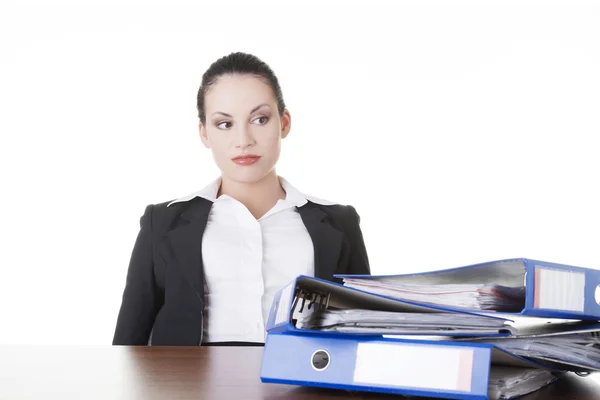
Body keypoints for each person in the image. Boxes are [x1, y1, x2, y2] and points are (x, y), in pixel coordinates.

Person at [112, 52, 371, 346]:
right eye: (224, 124)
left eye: (260, 119)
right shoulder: (162, 223)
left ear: (284, 123)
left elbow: (362, 338)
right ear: (204, 133)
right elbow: (127, 347)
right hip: (188, 388)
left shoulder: (340, 223)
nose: (244, 140)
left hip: (300, 387)